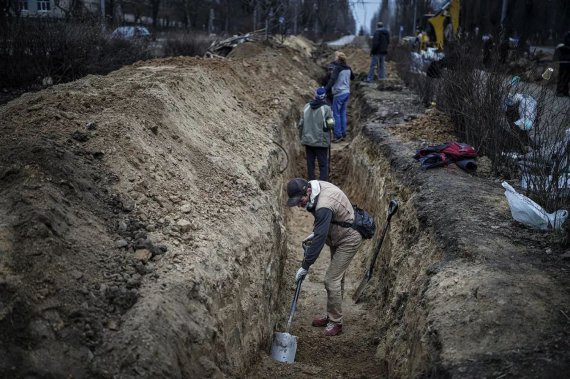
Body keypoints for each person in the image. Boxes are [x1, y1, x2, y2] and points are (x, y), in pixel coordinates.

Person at [286, 178, 363, 337]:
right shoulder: (314, 189)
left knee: (331, 279)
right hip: (337, 233)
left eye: (300, 201)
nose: (299, 205)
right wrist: (316, 232)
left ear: (307, 191)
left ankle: (336, 323)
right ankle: (331, 315)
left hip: (348, 239)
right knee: (336, 278)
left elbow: (320, 238)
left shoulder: (323, 205)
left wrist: (305, 266)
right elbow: (323, 225)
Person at [298, 87, 335, 181]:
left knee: (310, 163)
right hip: (321, 142)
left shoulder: (306, 107)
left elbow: (301, 124)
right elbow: (330, 124)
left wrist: (302, 138)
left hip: (308, 141)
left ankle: (311, 182)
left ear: (315, 96)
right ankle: (323, 184)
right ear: (324, 97)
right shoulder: (326, 109)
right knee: (323, 164)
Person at [326, 51, 355, 143]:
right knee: (343, 113)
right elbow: (353, 77)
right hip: (347, 92)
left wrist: (325, 89)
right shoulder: (348, 68)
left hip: (339, 93)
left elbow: (332, 79)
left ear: (338, 59)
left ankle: (337, 135)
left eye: (335, 57)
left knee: (336, 114)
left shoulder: (338, 68)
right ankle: (343, 133)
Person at [554, 31, 570, 97]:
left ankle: (565, 91)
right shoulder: (567, 36)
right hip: (565, 60)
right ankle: (560, 91)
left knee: (567, 77)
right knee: (563, 76)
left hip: (567, 60)